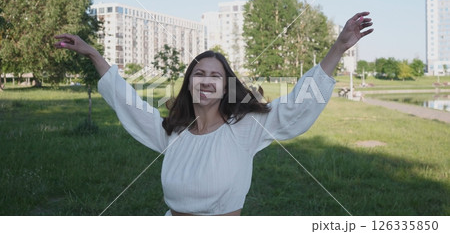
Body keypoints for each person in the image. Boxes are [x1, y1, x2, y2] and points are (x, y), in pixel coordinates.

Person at [54, 12, 373, 216]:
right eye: (199, 74)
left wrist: (337, 49)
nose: (206, 80)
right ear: (190, 83)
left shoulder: (246, 129)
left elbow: (298, 104)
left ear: (226, 87)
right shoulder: (172, 132)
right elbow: (128, 103)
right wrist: (94, 54)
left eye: (215, 76)